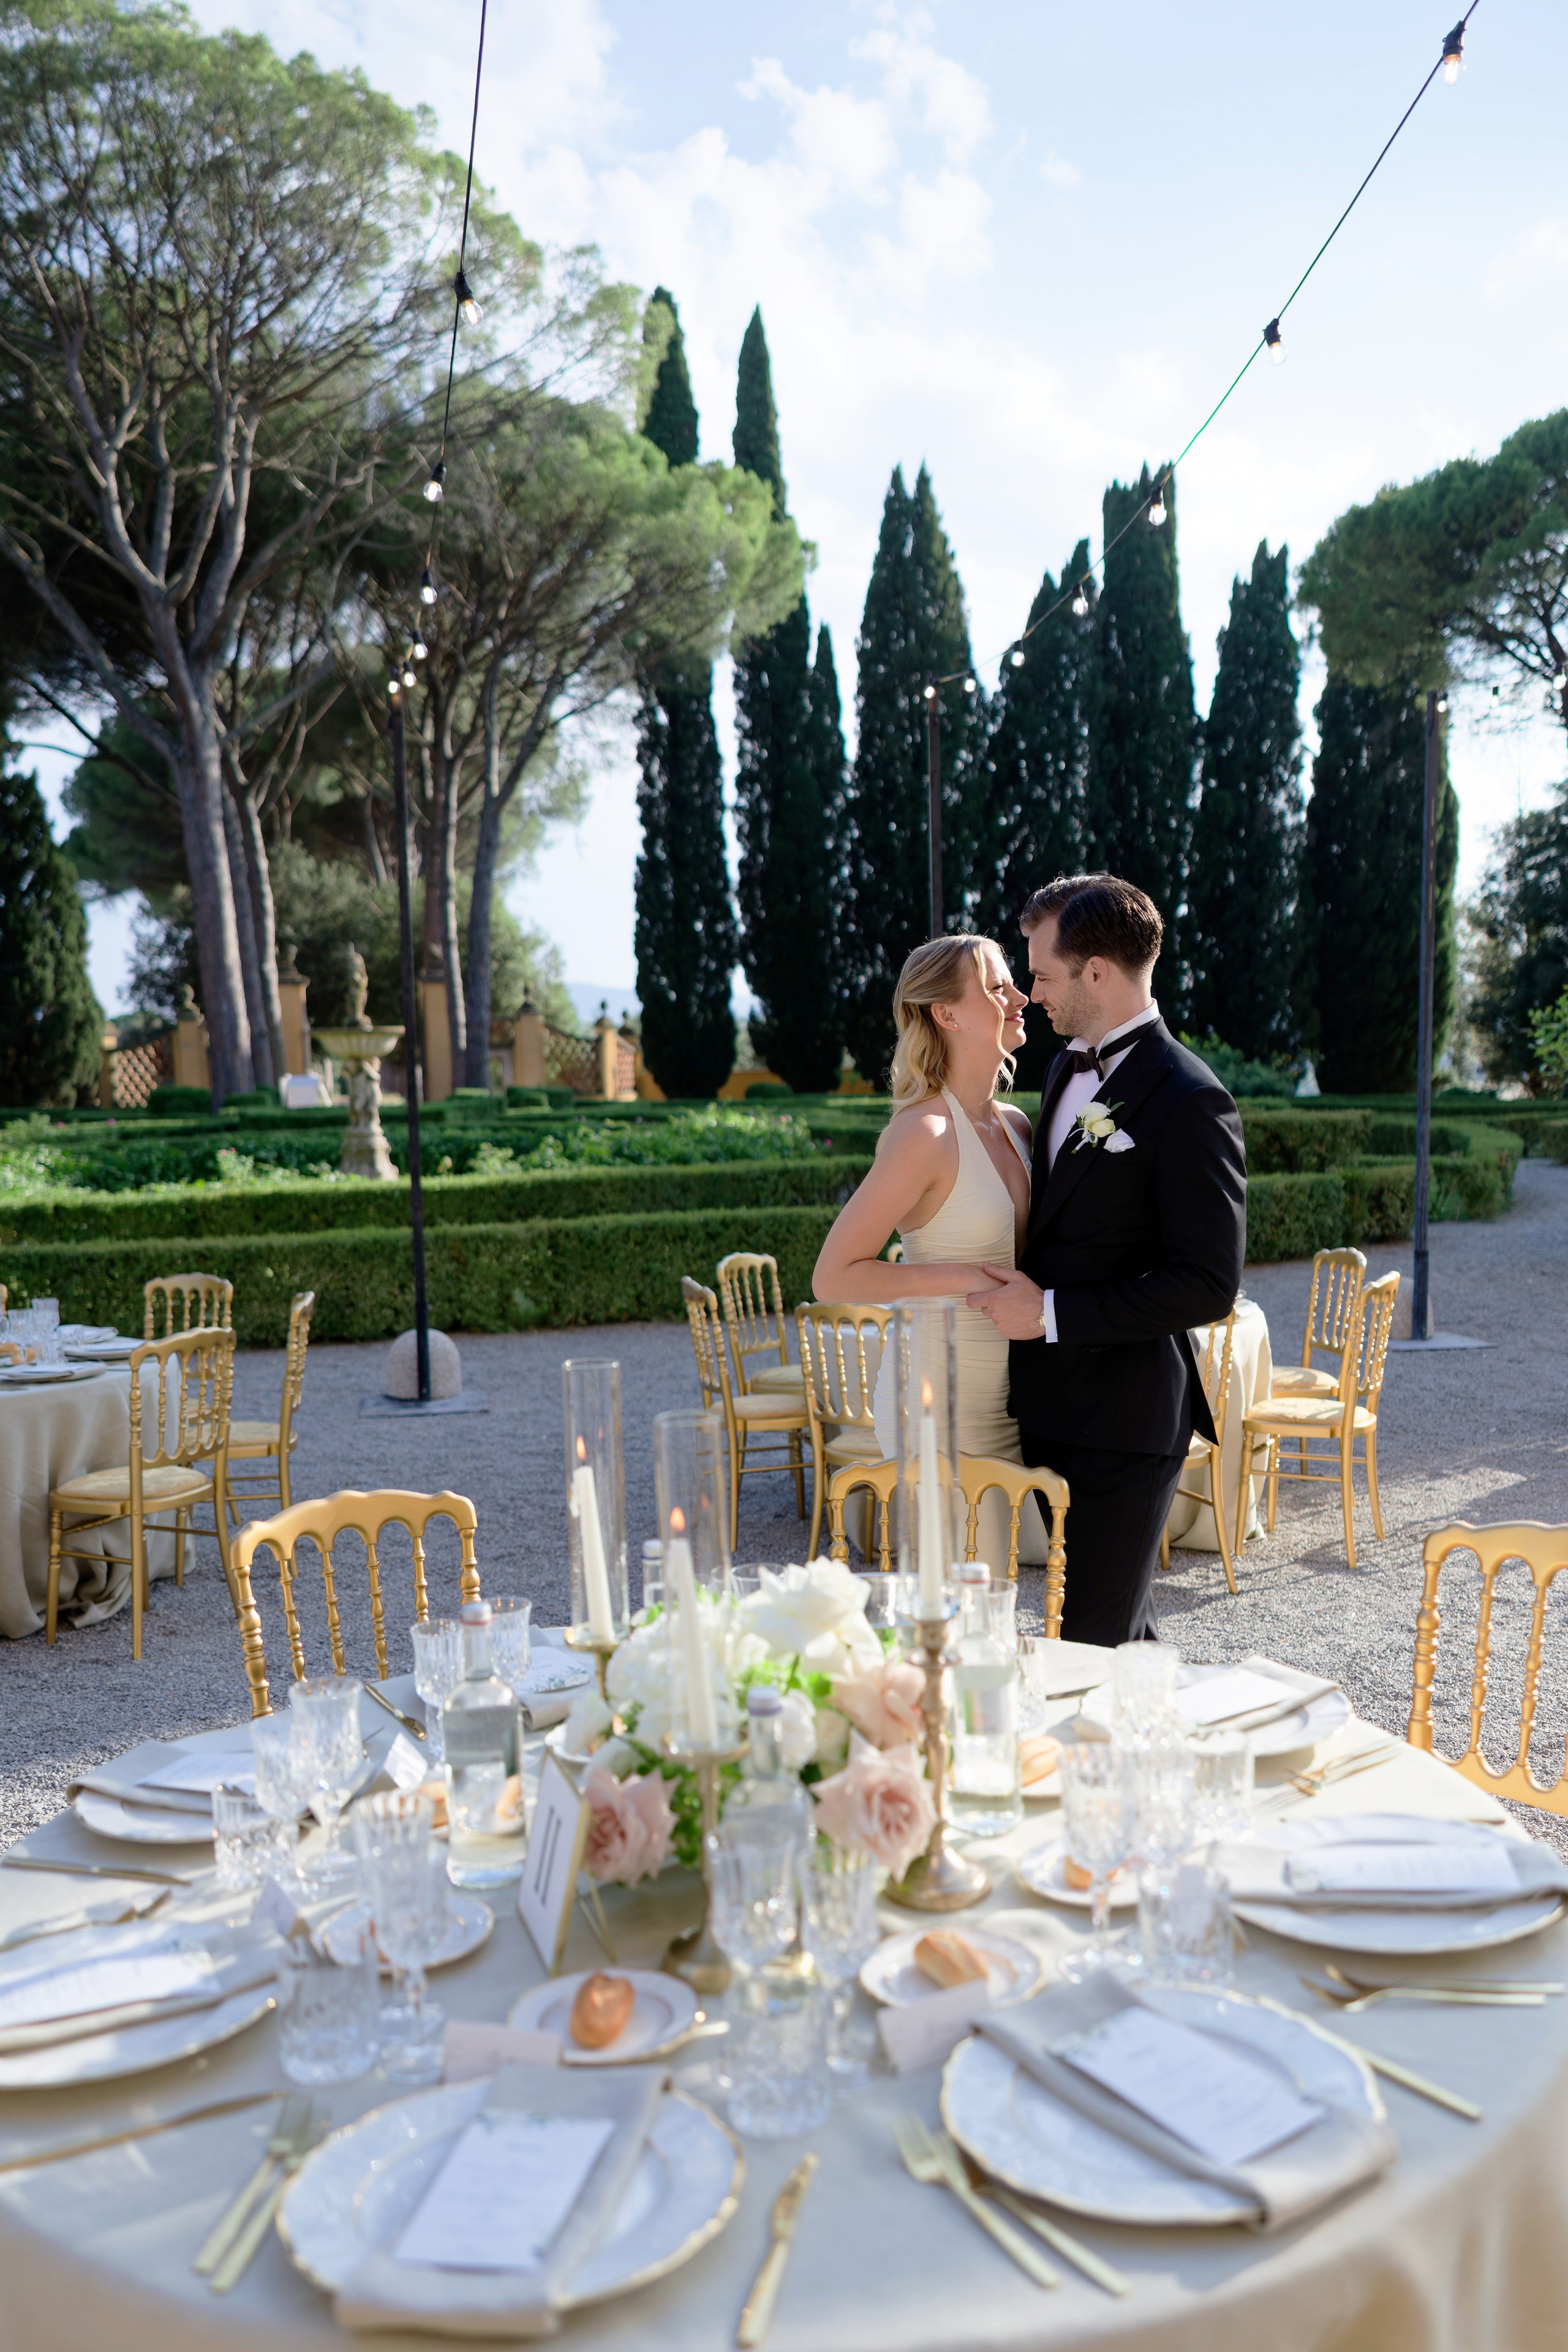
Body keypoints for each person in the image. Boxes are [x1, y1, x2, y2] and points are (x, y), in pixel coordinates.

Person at [968, 873, 1246, 1645]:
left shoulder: (1191, 1099)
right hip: (1051, 1409)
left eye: (1044, 974)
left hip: (1127, 1422)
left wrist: (1050, 1314)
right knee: (1117, 1628)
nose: (1031, 994)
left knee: (1090, 1643)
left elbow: (1208, 1284)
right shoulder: (1063, 1070)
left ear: (1096, 972)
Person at [812, 934, 1048, 1570]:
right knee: (959, 1596)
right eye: (998, 988)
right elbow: (833, 1276)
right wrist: (968, 1274)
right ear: (945, 1014)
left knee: (1007, 1593)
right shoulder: (924, 1132)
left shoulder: (1016, 1124)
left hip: (1011, 1393)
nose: (1020, 998)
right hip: (936, 1401)